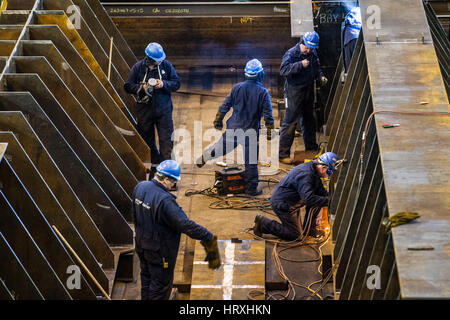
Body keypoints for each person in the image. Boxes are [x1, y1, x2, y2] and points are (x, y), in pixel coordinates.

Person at [132, 160, 220, 300]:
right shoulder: (165, 200)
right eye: (173, 182)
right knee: (160, 286)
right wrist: (207, 236)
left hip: (141, 245)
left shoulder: (140, 187)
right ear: (166, 179)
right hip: (159, 252)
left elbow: (135, 216)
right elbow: (184, 224)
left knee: (147, 278)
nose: (173, 185)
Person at [196, 59, 274, 196]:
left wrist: (218, 120)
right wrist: (269, 132)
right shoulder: (263, 92)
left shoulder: (237, 87)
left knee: (221, 148)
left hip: (233, 128)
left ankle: (209, 153)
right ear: (260, 74)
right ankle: (251, 190)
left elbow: (224, 106)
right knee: (251, 162)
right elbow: (268, 115)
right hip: (250, 132)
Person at [252, 152, 339, 240]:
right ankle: (263, 223)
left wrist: (330, 198)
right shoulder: (306, 175)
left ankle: (309, 230)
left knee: (318, 200)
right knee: (296, 236)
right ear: (324, 167)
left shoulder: (313, 169)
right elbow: (308, 199)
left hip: (292, 200)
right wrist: (329, 201)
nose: (330, 174)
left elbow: (319, 191)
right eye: (330, 171)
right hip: (284, 204)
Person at [124, 42, 180, 168]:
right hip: (145, 111)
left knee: (166, 142)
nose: (160, 62)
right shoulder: (138, 68)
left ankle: (168, 173)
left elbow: (176, 83)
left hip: (163, 111)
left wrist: (164, 84)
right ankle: (156, 170)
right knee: (148, 142)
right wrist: (142, 87)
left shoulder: (166, 65)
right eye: (157, 60)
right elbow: (128, 86)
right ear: (149, 58)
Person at [278, 31, 328, 165]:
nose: (308, 50)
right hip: (294, 92)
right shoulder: (291, 54)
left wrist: (320, 76)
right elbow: (283, 70)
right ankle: (283, 155)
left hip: (307, 90)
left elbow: (316, 67)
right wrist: (300, 64)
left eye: (311, 48)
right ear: (302, 43)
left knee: (309, 120)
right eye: (307, 47)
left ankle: (311, 148)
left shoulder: (312, 53)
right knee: (290, 122)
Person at [342, 7, 362, 72]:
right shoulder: (358, 10)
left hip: (349, 39)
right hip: (355, 38)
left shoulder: (354, 10)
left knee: (350, 65)